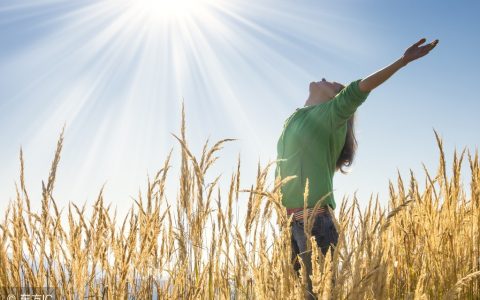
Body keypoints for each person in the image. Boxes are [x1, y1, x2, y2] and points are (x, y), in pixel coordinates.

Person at [275, 38, 438, 299]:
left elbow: (360, 89)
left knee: (320, 294)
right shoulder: (295, 117)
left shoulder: (331, 115)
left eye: (331, 84)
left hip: (315, 223)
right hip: (290, 223)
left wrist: (402, 61)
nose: (324, 78)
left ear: (335, 98)